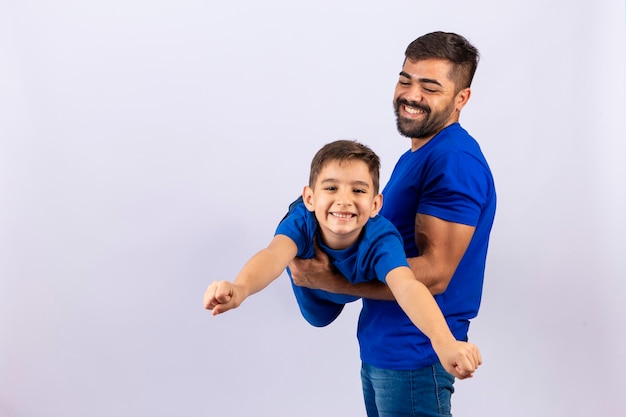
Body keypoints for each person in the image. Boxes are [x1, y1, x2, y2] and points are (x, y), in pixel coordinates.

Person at [288, 31, 497, 417]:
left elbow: (434, 273)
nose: (412, 95)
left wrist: (331, 281)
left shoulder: (454, 161)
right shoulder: (415, 156)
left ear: (461, 98)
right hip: (386, 350)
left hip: (415, 355)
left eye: (430, 87)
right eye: (406, 79)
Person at [203, 139, 482, 380]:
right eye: (331, 188)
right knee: (314, 306)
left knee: (397, 275)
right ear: (310, 198)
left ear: (375, 205)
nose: (345, 200)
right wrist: (239, 288)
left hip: (352, 277)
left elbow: (408, 288)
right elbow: (273, 256)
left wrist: (444, 342)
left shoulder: (382, 239)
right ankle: (314, 224)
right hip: (312, 287)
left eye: (358, 190)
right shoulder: (303, 222)